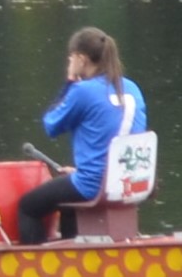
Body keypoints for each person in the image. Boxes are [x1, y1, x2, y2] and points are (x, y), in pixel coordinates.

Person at [16, 26, 148, 244]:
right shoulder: (132, 88)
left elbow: (51, 125)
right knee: (69, 204)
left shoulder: (83, 90)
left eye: (71, 58)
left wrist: (70, 80)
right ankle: (76, 260)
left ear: (80, 59)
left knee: (27, 207)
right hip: (129, 183)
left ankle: (35, 273)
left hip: (94, 184)